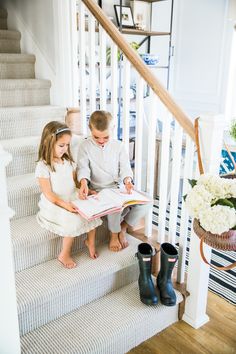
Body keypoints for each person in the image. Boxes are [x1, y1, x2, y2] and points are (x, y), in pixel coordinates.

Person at [77, 110, 151, 252]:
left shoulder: (118, 146)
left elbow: (125, 168)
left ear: (112, 129)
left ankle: (123, 228)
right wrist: (84, 183)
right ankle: (114, 235)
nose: (101, 141)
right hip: (98, 190)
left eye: (105, 137)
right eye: (96, 137)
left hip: (117, 187)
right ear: (90, 129)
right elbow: (83, 168)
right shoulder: (84, 146)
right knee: (115, 206)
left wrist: (128, 180)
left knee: (147, 201)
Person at [35, 121, 102, 269]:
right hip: (55, 202)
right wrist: (65, 205)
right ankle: (64, 253)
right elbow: (49, 194)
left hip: (72, 196)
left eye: (67, 145)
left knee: (93, 211)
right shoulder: (43, 166)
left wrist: (86, 190)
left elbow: (75, 184)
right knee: (73, 220)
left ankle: (90, 242)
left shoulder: (68, 161)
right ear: (48, 142)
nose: (65, 149)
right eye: (61, 145)